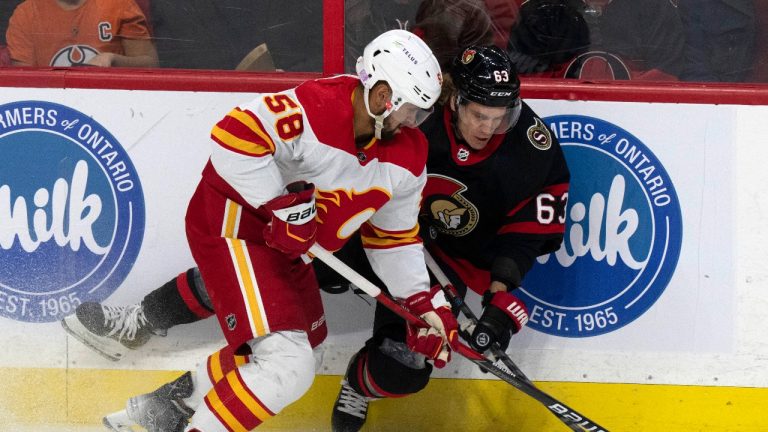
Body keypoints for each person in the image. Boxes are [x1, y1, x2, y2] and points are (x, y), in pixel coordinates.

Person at [89, 29, 455, 432]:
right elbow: (231, 137)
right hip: (236, 224)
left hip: (290, 247)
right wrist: (283, 208)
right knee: (287, 364)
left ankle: (166, 408)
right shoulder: (315, 107)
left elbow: (394, 238)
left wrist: (421, 302)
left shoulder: (409, 155)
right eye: (411, 110)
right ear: (385, 95)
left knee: (305, 354)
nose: (413, 122)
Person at [329, 44, 570, 432]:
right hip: (380, 232)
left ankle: (357, 384)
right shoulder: (414, 117)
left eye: (499, 117)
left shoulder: (530, 147)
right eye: (478, 115)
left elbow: (526, 233)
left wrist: (498, 296)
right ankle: (218, 299)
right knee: (315, 261)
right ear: (455, 100)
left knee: (404, 369)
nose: (488, 128)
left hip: (448, 264)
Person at [5, 0, 158, 67]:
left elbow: (150, 65)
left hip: (114, 104)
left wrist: (113, 59)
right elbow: (26, 83)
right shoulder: (25, 14)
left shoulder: (119, 4)